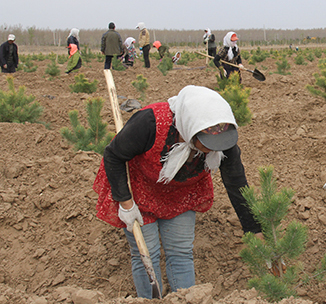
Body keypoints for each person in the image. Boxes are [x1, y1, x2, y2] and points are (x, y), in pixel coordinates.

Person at [93, 85, 262, 299]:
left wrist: (253, 228)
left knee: (181, 252)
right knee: (146, 253)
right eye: (207, 143)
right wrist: (126, 204)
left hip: (182, 194)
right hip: (141, 192)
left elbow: (235, 181)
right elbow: (113, 156)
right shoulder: (150, 122)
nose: (213, 150)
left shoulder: (221, 133)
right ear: (191, 129)